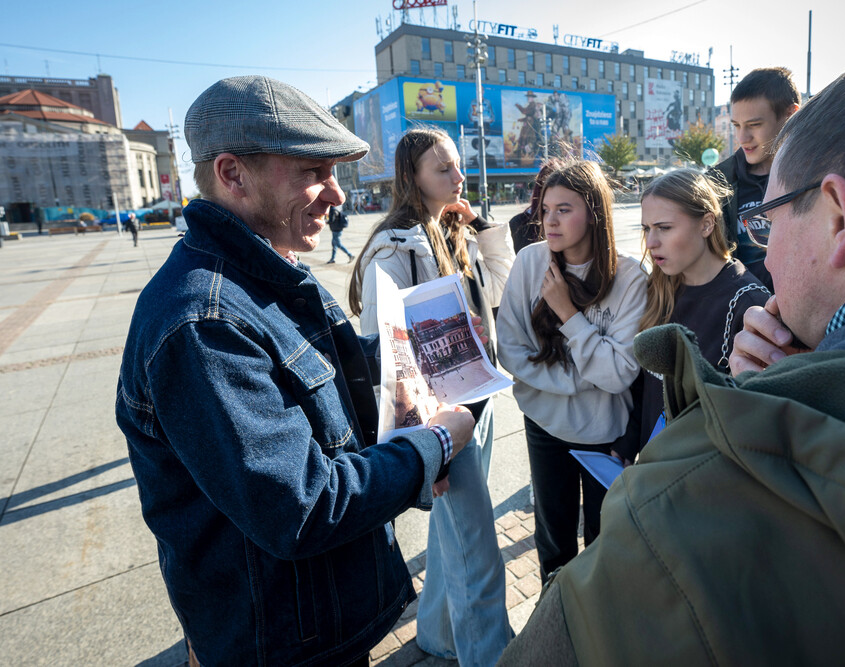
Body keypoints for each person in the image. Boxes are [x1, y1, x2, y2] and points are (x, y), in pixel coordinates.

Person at [498, 41, 845, 665]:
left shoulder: (707, 490)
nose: (760, 248)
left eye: (769, 217)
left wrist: (750, 418)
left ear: (841, 218)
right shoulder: (678, 304)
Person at [116, 76, 480, 667]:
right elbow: (305, 507)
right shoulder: (203, 324)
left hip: (317, 620)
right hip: (281, 644)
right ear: (232, 174)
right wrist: (430, 446)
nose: (336, 196)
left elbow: (331, 382)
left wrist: (408, 385)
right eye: (314, 172)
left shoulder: (274, 263)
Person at [348, 127, 514, 667]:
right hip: (440, 418)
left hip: (478, 401)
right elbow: (387, 357)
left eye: (457, 165)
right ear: (411, 177)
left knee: (454, 541)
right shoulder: (394, 246)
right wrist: (425, 438)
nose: (458, 177)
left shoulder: (449, 231)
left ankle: (439, 634)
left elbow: (500, 291)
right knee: (477, 548)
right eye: (443, 169)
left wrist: (482, 230)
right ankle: (490, 656)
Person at [496, 160, 646, 584]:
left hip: (604, 434)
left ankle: (598, 628)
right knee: (554, 539)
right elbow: (510, 348)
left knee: (604, 541)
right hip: (544, 425)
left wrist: (566, 311)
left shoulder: (629, 276)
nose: (550, 221)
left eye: (564, 209)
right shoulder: (530, 261)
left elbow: (618, 376)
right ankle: (555, 625)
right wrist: (580, 380)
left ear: (594, 211)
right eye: (545, 210)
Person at [629, 169, 769, 454]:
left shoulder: (749, 303)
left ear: (706, 225)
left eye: (664, 228)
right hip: (651, 466)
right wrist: (629, 442)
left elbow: (750, 423)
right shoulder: (660, 286)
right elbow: (647, 386)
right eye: (646, 229)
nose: (651, 242)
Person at [710, 67, 800, 291]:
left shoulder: (818, 175)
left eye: (754, 125)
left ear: (791, 115)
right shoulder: (717, 183)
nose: (743, 137)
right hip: (740, 315)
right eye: (737, 126)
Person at [507, 159, 561, 253]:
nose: (551, 221)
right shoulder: (519, 225)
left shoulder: (518, 223)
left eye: (562, 210)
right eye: (546, 209)